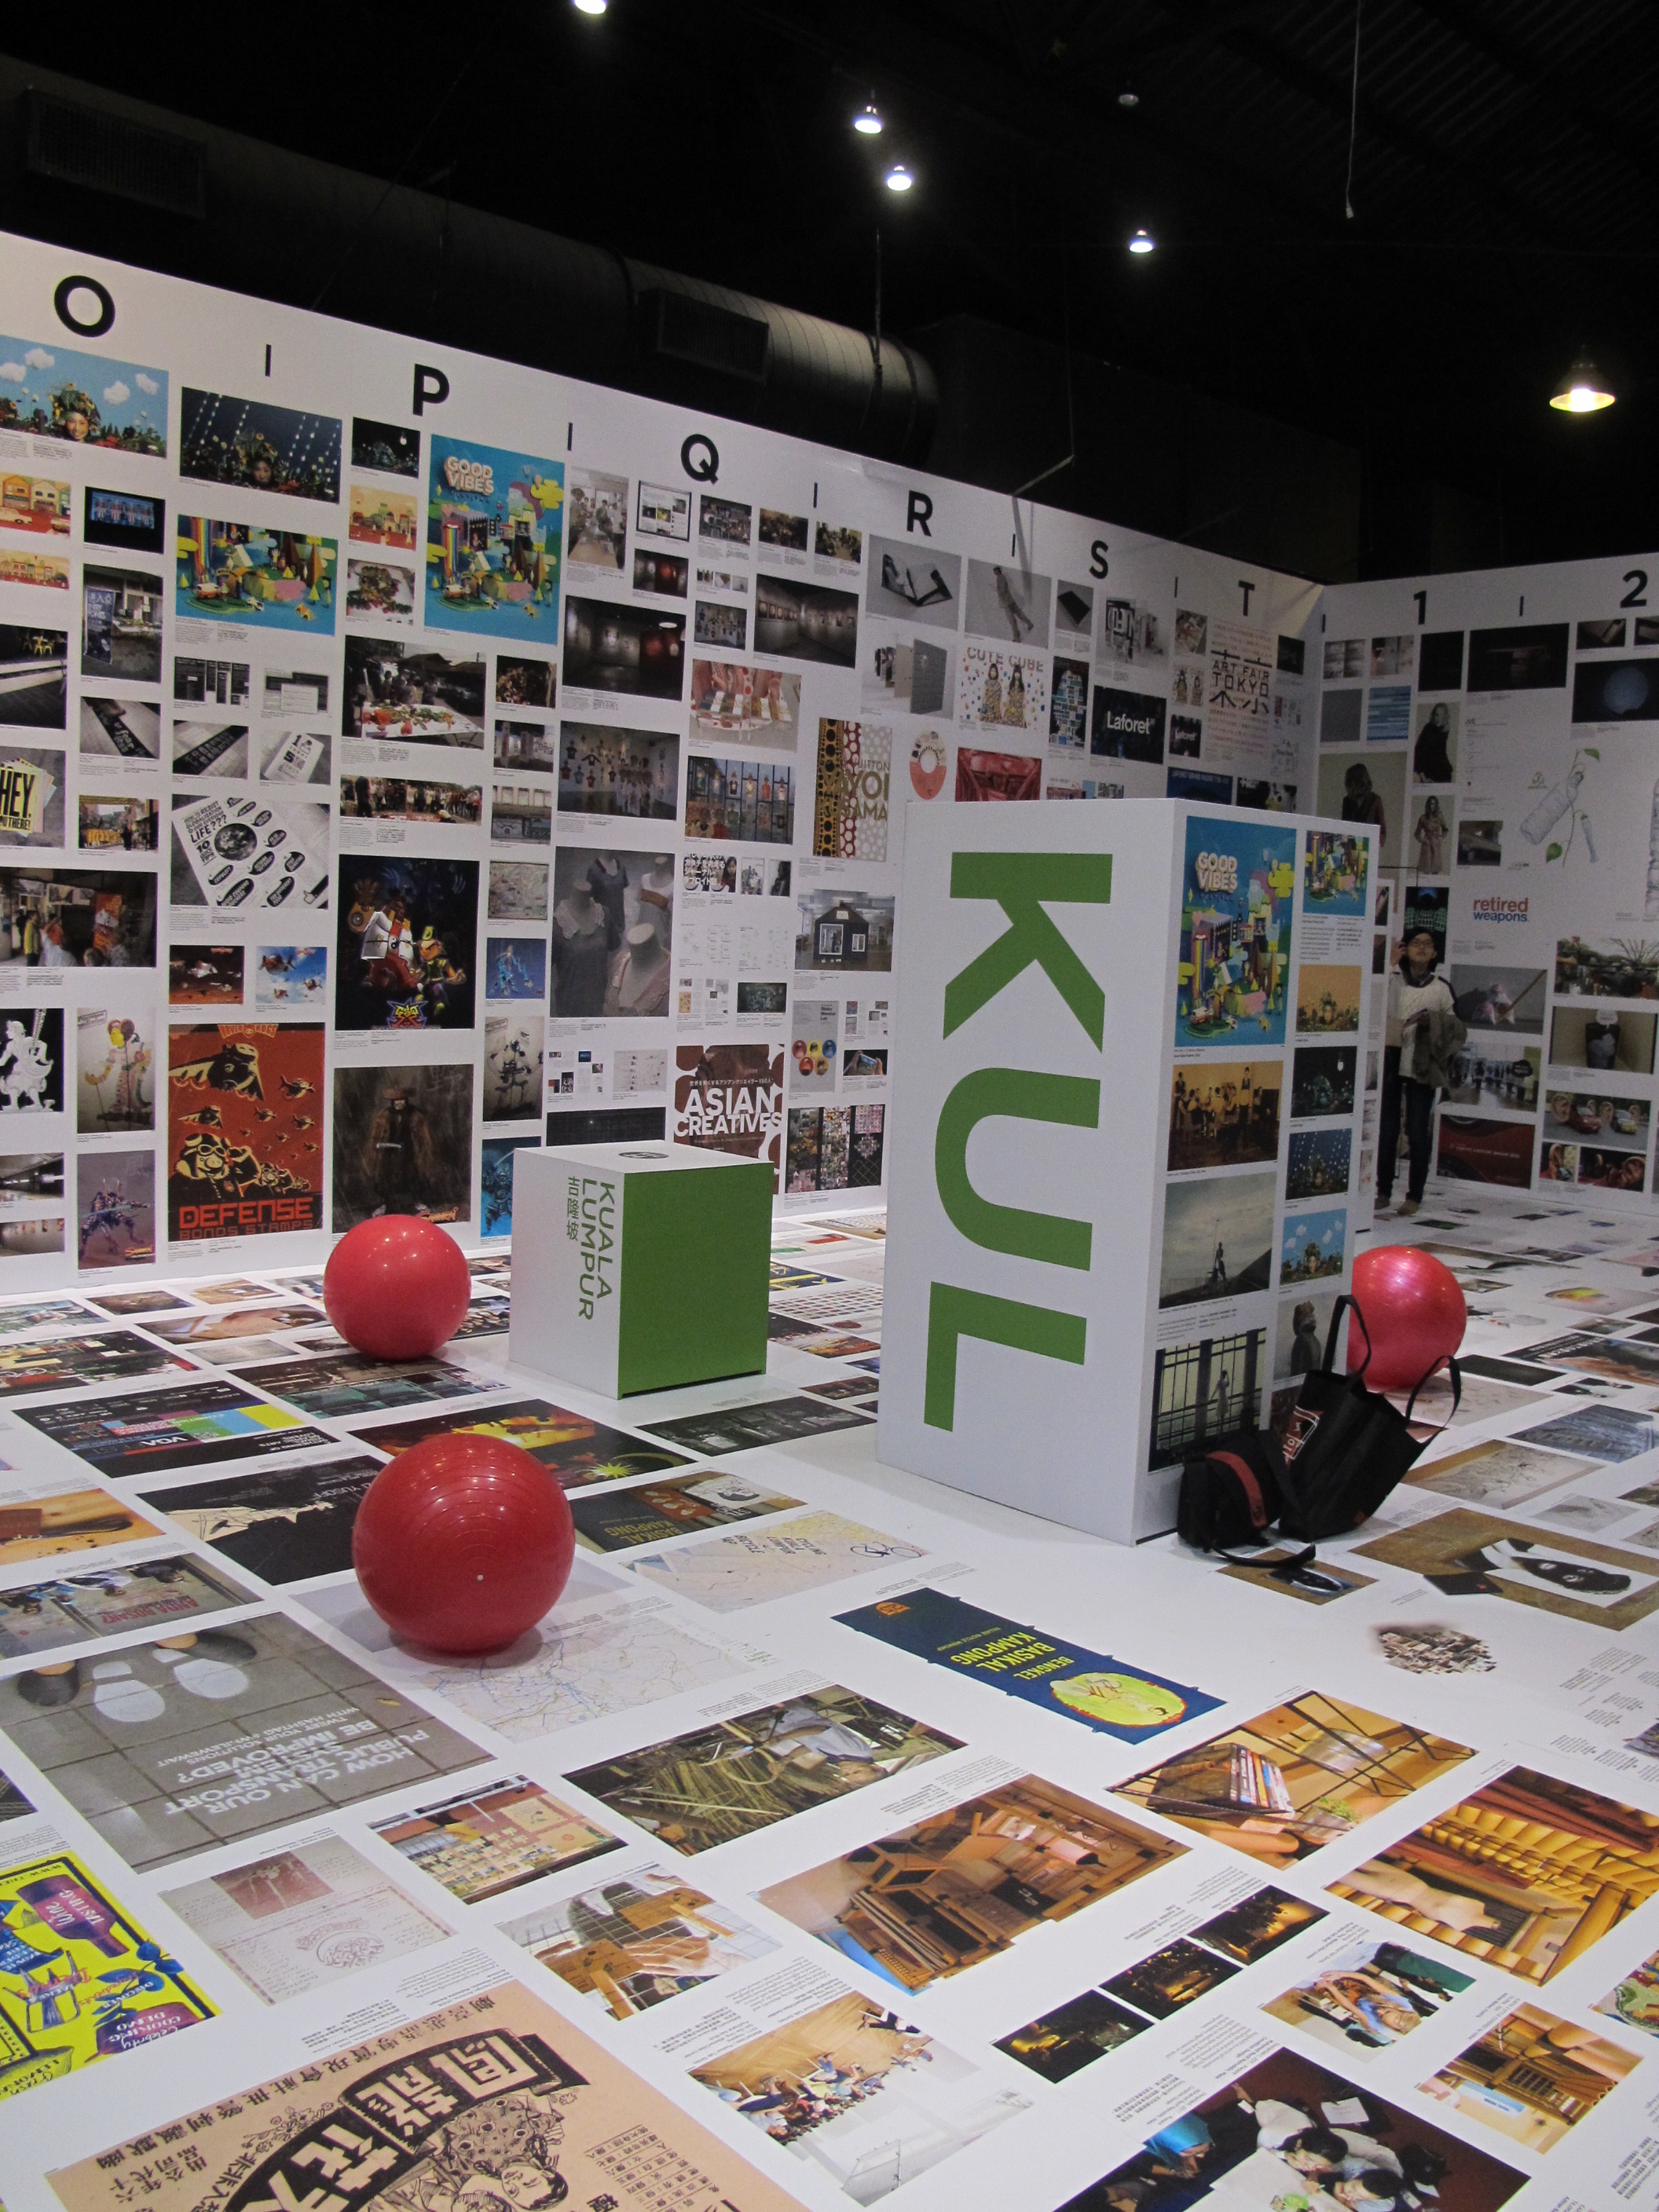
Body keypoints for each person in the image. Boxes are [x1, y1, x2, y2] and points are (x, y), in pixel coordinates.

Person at [1379, 928, 1465, 1217]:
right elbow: (1375, 1003)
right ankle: (1382, 1190)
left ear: (1435, 953)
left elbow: (1456, 1030)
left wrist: (1434, 1022)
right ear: (1406, 948)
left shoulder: (1441, 988)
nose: (1422, 948)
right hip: (1391, 1061)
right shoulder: (1392, 979)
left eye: (1428, 944)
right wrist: (1390, 965)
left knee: (1417, 1132)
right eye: (1416, 943)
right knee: (1387, 1131)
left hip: (1422, 1066)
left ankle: (1414, 1195)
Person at [1341, 761, 1387, 853]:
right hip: (1351, 846)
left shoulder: (1375, 800)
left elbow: (1382, 828)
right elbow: (1344, 826)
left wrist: (1377, 844)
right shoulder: (1347, 801)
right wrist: (1345, 846)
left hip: (1369, 846)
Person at [1413, 699, 1455, 782]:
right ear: (1433, 715)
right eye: (1437, 715)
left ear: (1445, 716)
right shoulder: (1428, 729)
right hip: (1430, 775)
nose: (1438, 718)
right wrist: (1423, 777)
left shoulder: (1447, 730)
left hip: (1444, 774)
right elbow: (1418, 751)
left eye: (1441, 715)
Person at [1412, 793, 1448, 873]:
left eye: (1434, 804)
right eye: (1431, 804)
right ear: (1428, 805)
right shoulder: (1423, 818)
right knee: (1426, 868)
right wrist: (1423, 841)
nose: (1433, 806)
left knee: (1435, 868)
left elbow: (1445, 830)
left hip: (1435, 843)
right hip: (1427, 844)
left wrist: (1441, 838)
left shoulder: (1439, 816)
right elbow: (1417, 834)